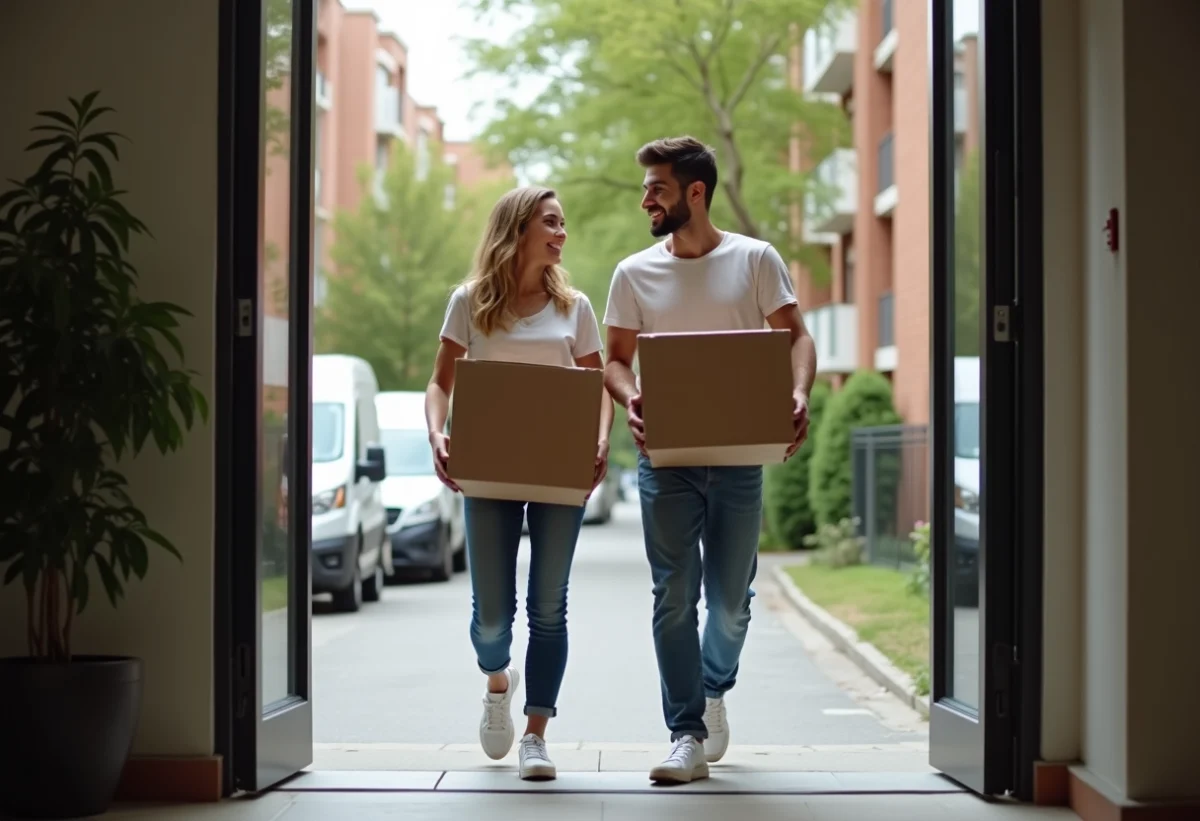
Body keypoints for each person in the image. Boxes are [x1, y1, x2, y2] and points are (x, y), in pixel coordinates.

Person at [602, 137, 817, 784]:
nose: (646, 199)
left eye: (657, 188)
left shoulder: (755, 261)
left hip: (738, 456)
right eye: (646, 188)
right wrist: (630, 394)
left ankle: (714, 684)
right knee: (673, 594)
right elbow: (614, 359)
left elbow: (796, 337)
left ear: (695, 192)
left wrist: (798, 390)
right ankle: (685, 732)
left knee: (728, 604)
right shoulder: (633, 272)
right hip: (664, 457)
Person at [425, 186, 613, 781]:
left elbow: (599, 387)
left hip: (559, 471)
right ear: (518, 228)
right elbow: (439, 385)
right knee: (490, 622)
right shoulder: (470, 303)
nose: (562, 233)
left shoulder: (575, 308)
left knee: (549, 608)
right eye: (551, 222)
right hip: (487, 469)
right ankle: (497, 681)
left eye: (563, 224)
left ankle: (536, 734)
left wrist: (602, 438)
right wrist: (437, 434)